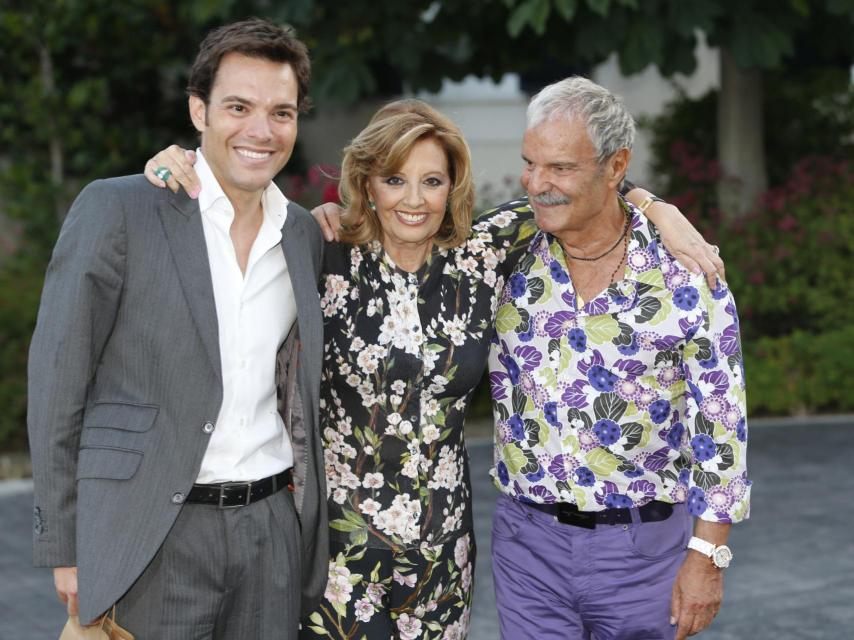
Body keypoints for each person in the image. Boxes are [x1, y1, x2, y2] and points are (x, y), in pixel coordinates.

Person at [144, 98, 720, 639]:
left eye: (432, 181)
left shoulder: (481, 253)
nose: (413, 199)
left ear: (453, 187)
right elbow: (231, 213)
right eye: (394, 179)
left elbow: (583, 186)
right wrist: (178, 165)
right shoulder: (318, 248)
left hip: (442, 552)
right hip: (335, 554)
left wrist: (658, 209)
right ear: (367, 183)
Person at [27, 19, 327, 639]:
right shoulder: (121, 209)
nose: (261, 131)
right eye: (238, 107)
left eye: (281, 112)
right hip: (151, 535)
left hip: (270, 532)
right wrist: (64, 540)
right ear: (199, 110)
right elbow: (58, 379)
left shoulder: (301, 235)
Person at [487, 76, 749, 640]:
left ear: (614, 166)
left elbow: (721, 428)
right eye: (530, 163)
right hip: (527, 546)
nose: (537, 184)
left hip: (645, 553)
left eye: (559, 167)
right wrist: (331, 222)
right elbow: (406, 222)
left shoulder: (687, 273)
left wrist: (708, 555)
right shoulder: (503, 251)